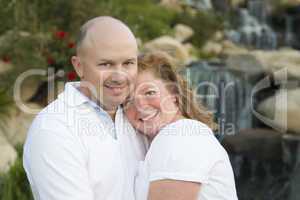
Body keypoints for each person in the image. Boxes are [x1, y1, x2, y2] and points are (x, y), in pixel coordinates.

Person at [23, 16, 147, 200]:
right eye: (106, 64)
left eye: (128, 63)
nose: (119, 76)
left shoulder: (138, 115)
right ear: (79, 66)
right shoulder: (54, 129)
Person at [125, 52, 238, 200]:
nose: (140, 106)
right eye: (128, 100)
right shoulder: (181, 135)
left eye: (149, 92)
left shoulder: (180, 136)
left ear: (174, 94)